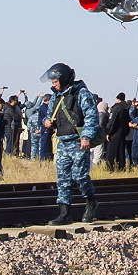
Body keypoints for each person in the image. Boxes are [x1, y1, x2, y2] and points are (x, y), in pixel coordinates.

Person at [41, 62, 100, 224]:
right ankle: (64, 213)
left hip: (78, 142)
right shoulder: (56, 96)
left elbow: (91, 117)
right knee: (62, 178)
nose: (53, 84)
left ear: (64, 78)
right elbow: (50, 114)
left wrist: (86, 137)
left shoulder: (81, 94)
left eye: (55, 81)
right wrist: (48, 122)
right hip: (63, 141)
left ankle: (90, 201)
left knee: (80, 176)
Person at [104, 92, 131, 172]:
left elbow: (112, 121)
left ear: (117, 99)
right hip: (123, 133)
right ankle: (121, 168)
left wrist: (108, 132)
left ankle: (110, 168)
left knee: (111, 153)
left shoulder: (115, 108)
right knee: (121, 152)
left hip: (114, 134)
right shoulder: (127, 108)